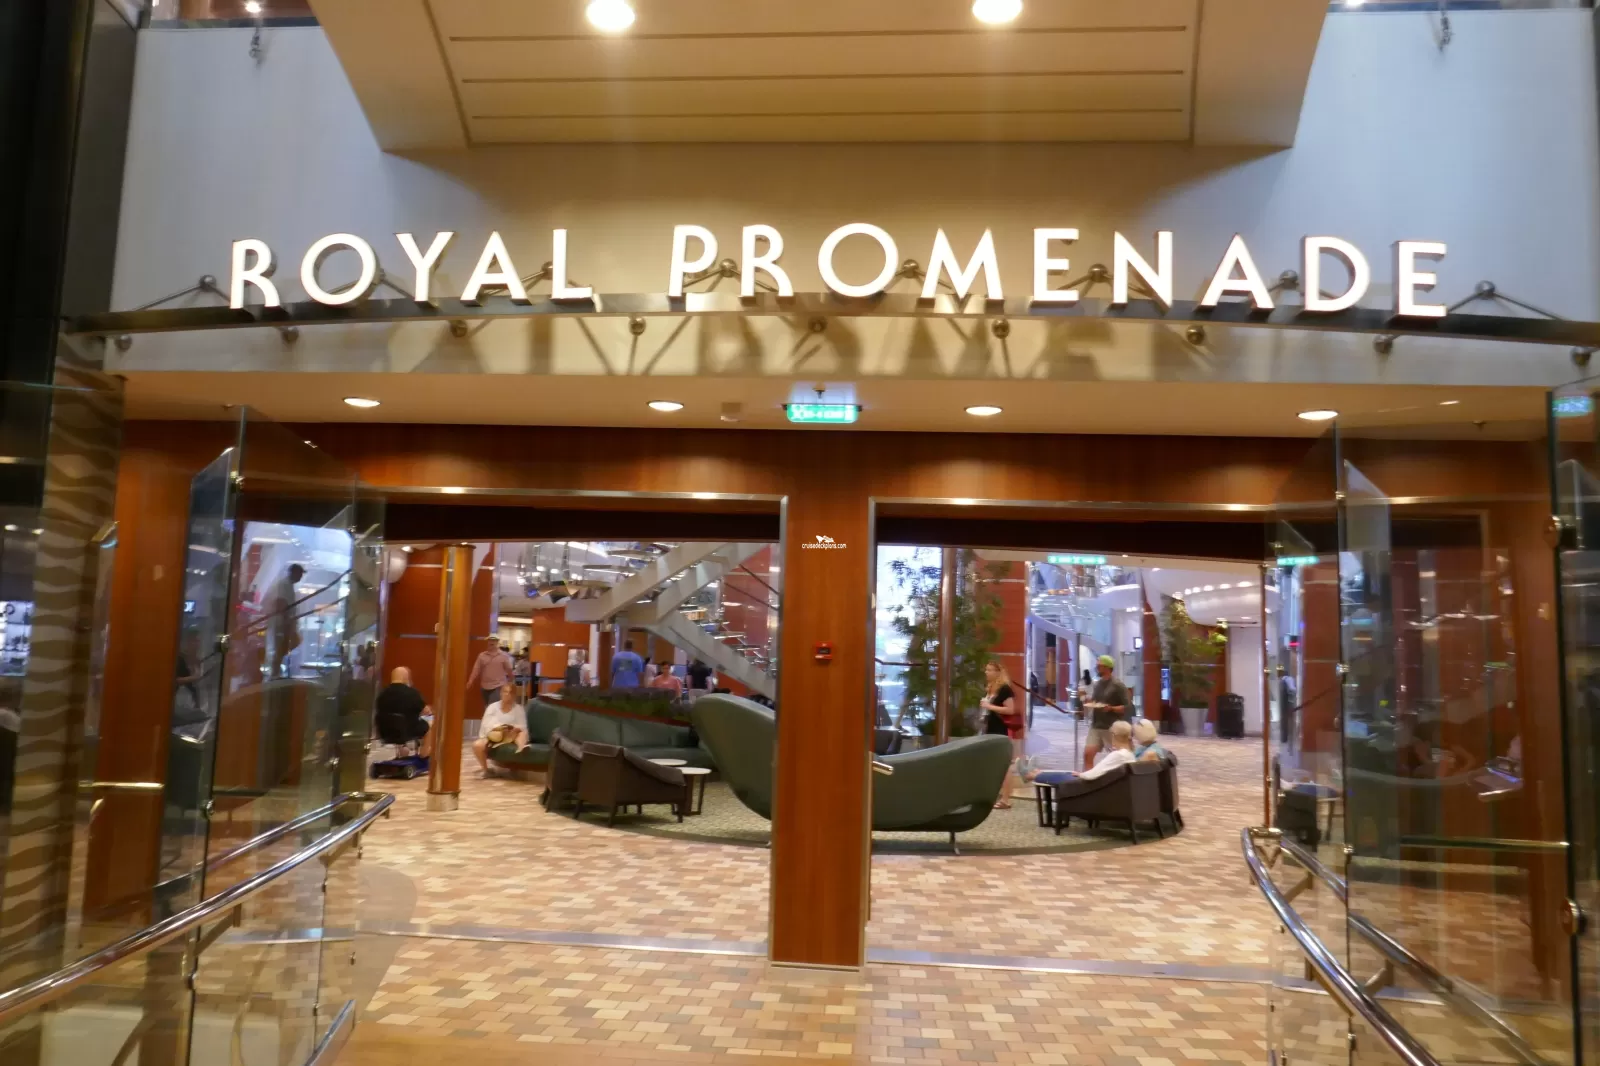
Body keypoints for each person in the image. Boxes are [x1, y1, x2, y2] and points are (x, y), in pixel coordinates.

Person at [1027, 720, 1137, 786]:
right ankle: (1036, 773)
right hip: (1100, 783)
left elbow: (1096, 773)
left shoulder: (1118, 755)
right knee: (1068, 773)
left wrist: (1081, 775)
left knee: (1066, 776)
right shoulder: (1130, 754)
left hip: (1091, 785)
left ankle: (1032, 775)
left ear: (1113, 735)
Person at [979, 660, 1023, 810]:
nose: (987, 672)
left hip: (1000, 730)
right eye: (986, 669)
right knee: (991, 764)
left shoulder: (1005, 689)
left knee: (1005, 765)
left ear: (998, 672)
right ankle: (992, 794)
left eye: (990, 670)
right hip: (988, 728)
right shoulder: (990, 688)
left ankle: (1005, 799)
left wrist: (989, 706)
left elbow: (1010, 710)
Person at [1082, 654, 1130, 771]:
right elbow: (1095, 701)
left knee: (1117, 758)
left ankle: (1117, 779)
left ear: (1108, 668)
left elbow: (1127, 707)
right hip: (1096, 725)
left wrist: (1112, 708)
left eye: (1099, 666)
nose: (1097, 668)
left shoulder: (1117, 685)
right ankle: (1089, 779)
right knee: (1087, 754)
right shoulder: (1098, 684)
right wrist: (1089, 702)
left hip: (1111, 727)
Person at [375, 666, 432, 758]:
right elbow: (426, 711)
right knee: (428, 727)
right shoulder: (412, 693)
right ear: (406, 678)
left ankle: (402, 749)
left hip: (385, 732)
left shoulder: (382, 694)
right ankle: (423, 755)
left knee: (398, 724)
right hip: (408, 730)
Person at [473, 681, 528, 776]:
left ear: (514, 695)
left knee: (522, 734)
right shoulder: (492, 707)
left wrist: (515, 729)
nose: (507, 695)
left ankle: (521, 749)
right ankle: (485, 770)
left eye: (510, 693)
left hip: (511, 736)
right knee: (477, 745)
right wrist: (499, 728)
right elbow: (486, 724)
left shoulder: (519, 709)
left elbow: (523, 725)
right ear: (501, 693)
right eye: (505, 692)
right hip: (494, 735)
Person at [264, 563, 306, 678]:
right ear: (294, 573)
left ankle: (275, 671)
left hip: (284, 623)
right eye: (300, 574)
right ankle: (274, 673)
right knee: (280, 647)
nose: (300, 577)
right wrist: (287, 621)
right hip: (281, 623)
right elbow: (281, 602)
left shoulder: (288, 585)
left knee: (285, 646)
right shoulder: (284, 584)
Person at [467, 634, 513, 708]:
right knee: (487, 707)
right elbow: (476, 669)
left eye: (494, 640)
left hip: (498, 686)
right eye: (490, 640)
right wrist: (470, 680)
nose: (492, 642)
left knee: (492, 707)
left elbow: (509, 669)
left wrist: (511, 681)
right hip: (484, 686)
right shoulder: (482, 655)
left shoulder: (503, 656)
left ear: (497, 642)